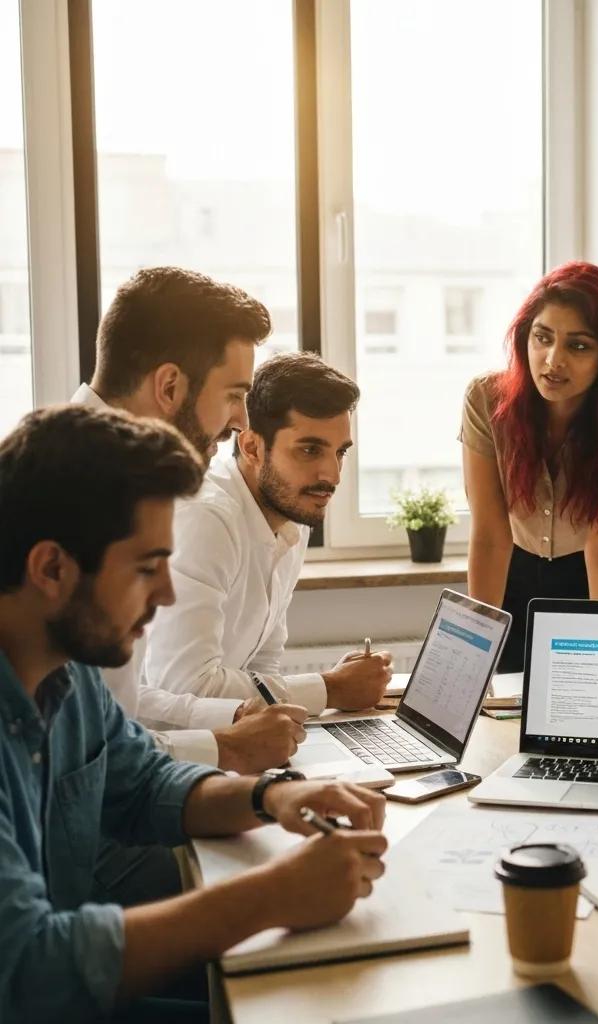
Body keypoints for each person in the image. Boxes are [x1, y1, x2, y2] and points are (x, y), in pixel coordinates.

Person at [0, 406, 387, 1022]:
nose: (166, 594)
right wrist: (271, 896)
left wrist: (272, 798)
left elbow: (143, 783)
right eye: (147, 568)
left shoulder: (67, 674)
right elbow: (30, 970)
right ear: (51, 568)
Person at [71, 266, 306, 774]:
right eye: (233, 395)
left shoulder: (121, 482)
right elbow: (89, 760)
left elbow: (116, 713)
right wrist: (230, 749)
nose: (243, 421)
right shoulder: (71, 501)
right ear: (171, 386)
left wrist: (232, 734)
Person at [144, 351, 392, 713]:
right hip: (167, 752)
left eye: (340, 452)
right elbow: (186, 686)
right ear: (252, 447)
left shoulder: (292, 517)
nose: (332, 476)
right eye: (310, 450)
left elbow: (262, 666)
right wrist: (328, 690)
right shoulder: (207, 519)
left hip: (233, 741)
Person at [460, 261, 598, 672]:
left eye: (578, 346)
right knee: (497, 711)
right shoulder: (486, 399)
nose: (552, 360)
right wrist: (474, 649)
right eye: (543, 338)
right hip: (513, 573)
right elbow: (489, 535)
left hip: (594, 576)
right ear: (526, 337)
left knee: (591, 713)